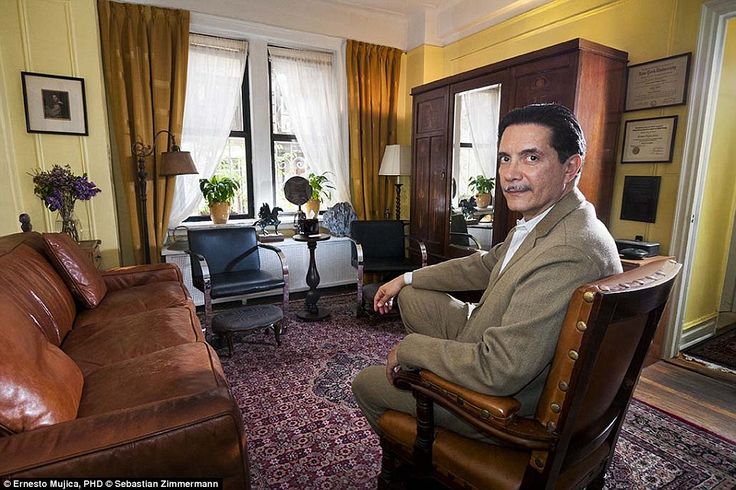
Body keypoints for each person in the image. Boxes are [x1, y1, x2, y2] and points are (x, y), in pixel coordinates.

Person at [351, 103, 622, 441]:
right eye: (505, 158)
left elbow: (499, 369)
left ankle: (419, 460)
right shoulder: (553, 219)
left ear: (571, 167)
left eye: (531, 158)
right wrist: (404, 278)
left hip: (508, 406)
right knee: (412, 296)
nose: (510, 173)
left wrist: (410, 349)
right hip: (492, 331)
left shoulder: (567, 251)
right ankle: (445, 374)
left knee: (366, 383)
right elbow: (482, 265)